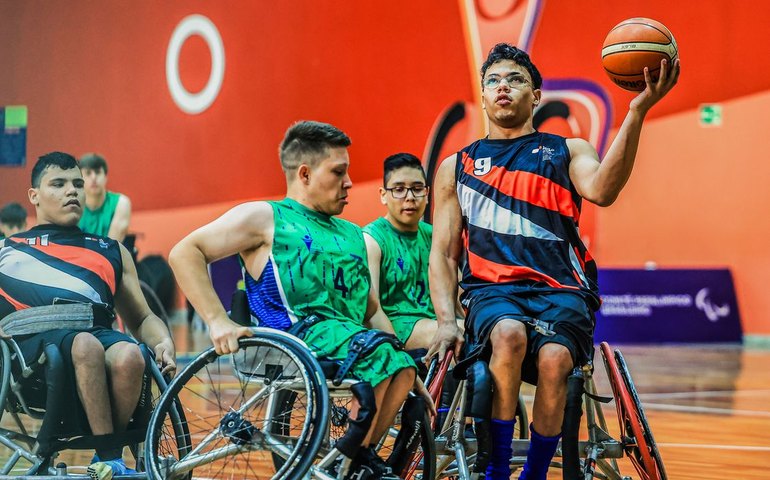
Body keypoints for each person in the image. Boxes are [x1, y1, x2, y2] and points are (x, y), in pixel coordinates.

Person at [427, 43, 680, 480]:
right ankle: (498, 469)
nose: (503, 87)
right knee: (507, 334)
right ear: (484, 97)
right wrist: (447, 320)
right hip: (493, 291)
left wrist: (636, 112)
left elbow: (602, 190)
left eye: (516, 79)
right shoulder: (458, 165)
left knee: (556, 360)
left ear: (537, 95)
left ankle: (536, 474)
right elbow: (445, 255)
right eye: (493, 81)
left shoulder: (567, 149)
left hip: (562, 290)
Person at [169, 121, 430, 480]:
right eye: (339, 172)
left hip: (351, 340)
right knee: (382, 356)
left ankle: (357, 457)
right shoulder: (265, 217)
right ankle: (351, 460)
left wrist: (403, 363)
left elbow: (371, 311)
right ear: (304, 174)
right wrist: (217, 319)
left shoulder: (353, 233)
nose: (349, 182)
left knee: (401, 364)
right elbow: (185, 252)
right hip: (292, 338)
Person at [0, 152, 176, 480]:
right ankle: (112, 457)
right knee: (84, 345)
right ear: (34, 195)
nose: (73, 191)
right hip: (31, 360)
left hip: (94, 335)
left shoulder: (110, 249)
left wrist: (163, 340)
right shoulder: (7, 249)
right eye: (59, 184)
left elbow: (142, 318)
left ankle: (105, 460)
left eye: (77, 184)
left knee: (130, 355)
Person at [78, 153, 131, 242]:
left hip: (109, 255)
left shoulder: (121, 203)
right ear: (80, 179)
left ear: (106, 177)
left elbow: (111, 247)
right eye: (88, 173)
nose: (94, 177)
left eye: (98, 172)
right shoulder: (73, 205)